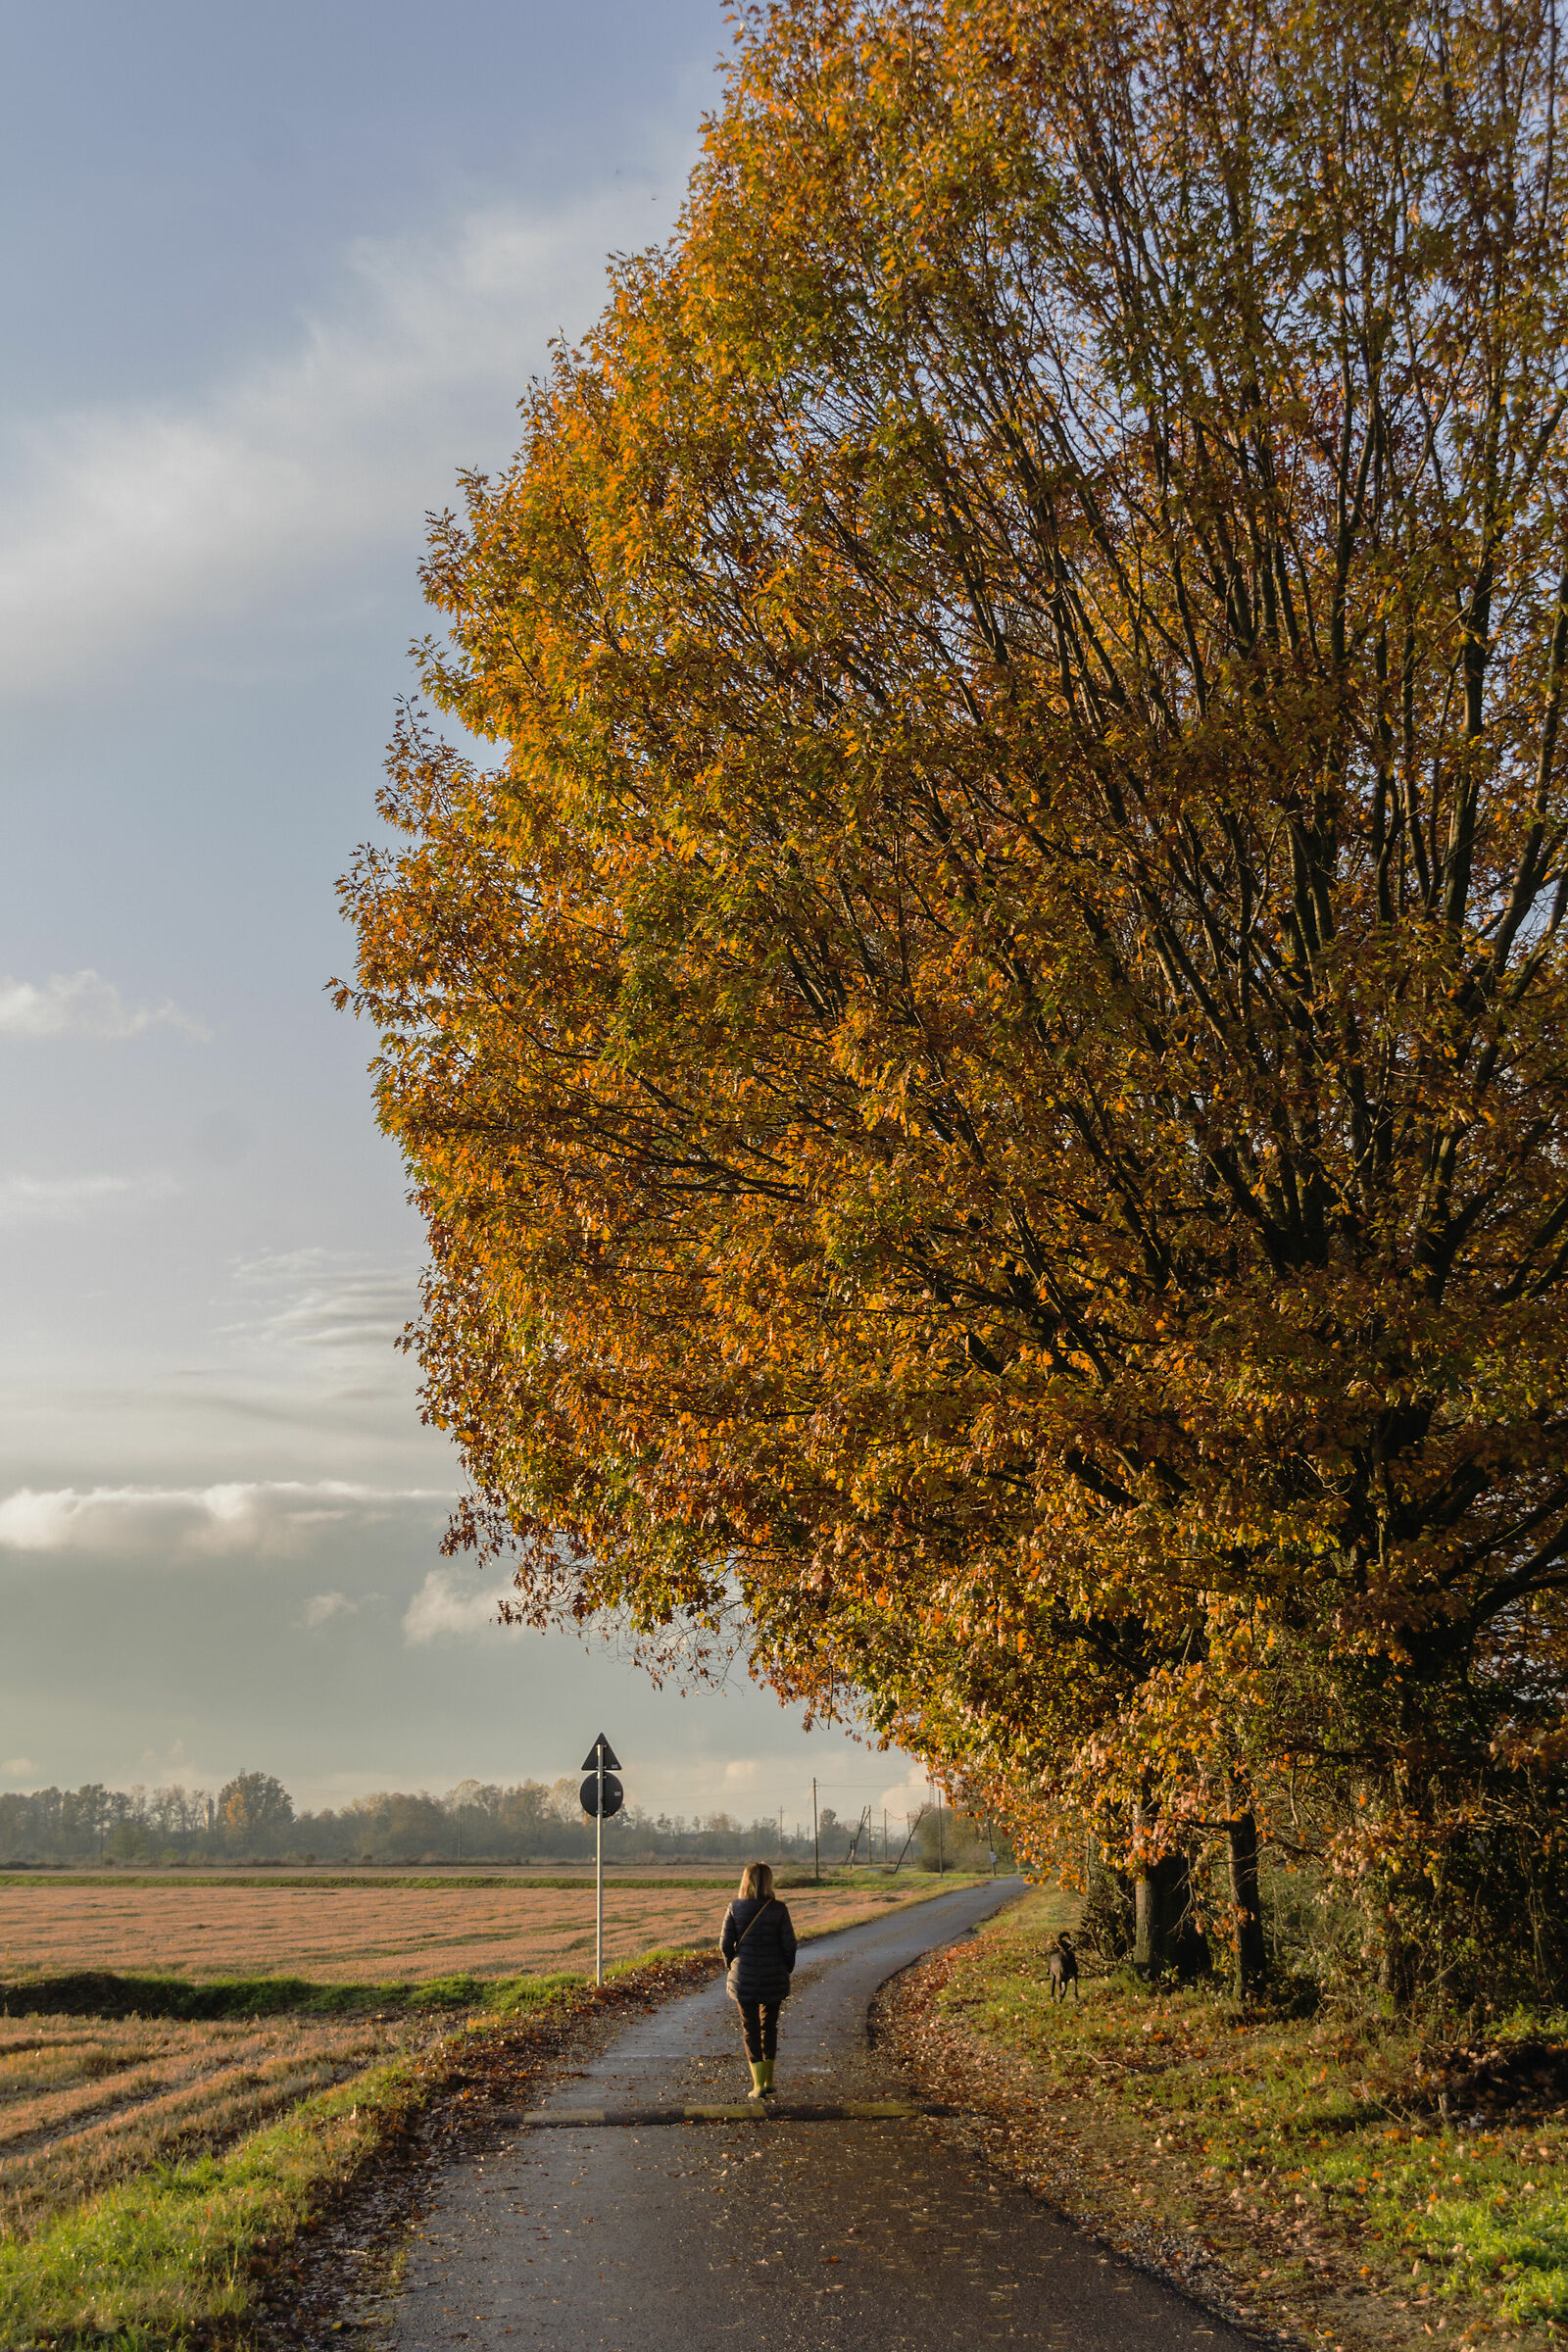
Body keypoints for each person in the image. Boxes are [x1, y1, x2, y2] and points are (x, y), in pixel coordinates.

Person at [720, 1860, 797, 2098]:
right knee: (769, 2026)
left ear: (746, 1881)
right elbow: (789, 1945)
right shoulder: (779, 1909)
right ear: (769, 1881)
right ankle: (769, 2080)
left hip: (744, 1977)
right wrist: (785, 1969)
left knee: (750, 2028)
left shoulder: (734, 1907)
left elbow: (725, 1945)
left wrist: (733, 1966)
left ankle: (757, 2085)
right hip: (774, 1974)